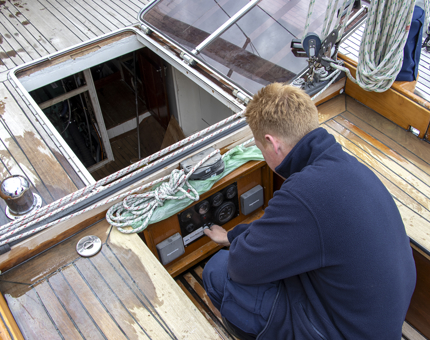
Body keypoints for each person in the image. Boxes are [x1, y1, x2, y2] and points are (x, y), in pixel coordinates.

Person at [203, 83, 416, 339]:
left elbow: (241, 266)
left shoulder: (304, 193)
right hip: (377, 323)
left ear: (272, 143)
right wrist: (233, 235)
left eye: (260, 149)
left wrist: (236, 245)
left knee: (218, 270)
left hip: (344, 332)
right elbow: (294, 229)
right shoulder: (347, 166)